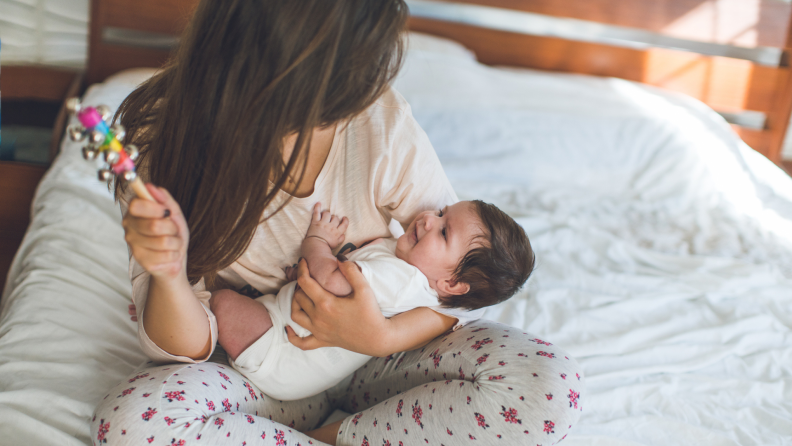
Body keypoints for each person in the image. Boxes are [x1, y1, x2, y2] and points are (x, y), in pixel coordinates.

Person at [90, 0, 585, 445]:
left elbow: (462, 289)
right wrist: (169, 273)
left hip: (384, 365)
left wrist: (378, 339)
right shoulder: (167, 140)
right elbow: (183, 351)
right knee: (133, 421)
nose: (368, 90)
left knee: (548, 386)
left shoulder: (380, 123)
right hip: (269, 373)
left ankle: (333, 437)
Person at [212, 200, 535, 401]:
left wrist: (317, 242)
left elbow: (332, 281)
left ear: (450, 283)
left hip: (281, 353)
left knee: (222, 303)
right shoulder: (407, 263)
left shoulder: (405, 281)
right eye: (440, 212)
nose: (427, 219)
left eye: (443, 232)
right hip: (287, 340)